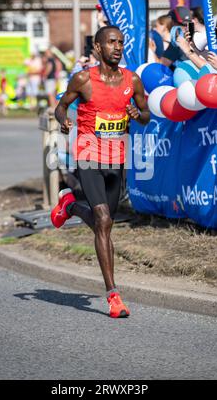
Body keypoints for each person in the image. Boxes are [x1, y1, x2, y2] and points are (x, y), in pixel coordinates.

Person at [51, 26, 150, 318]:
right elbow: (61, 106)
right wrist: (64, 121)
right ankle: (113, 295)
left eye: (120, 42)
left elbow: (146, 115)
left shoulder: (133, 80)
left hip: (116, 159)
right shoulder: (83, 79)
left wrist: (137, 114)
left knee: (103, 223)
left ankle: (70, 205)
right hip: (88, 155)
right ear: (97, 47)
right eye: (111, 42)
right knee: (104, 220)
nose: (117, 47)